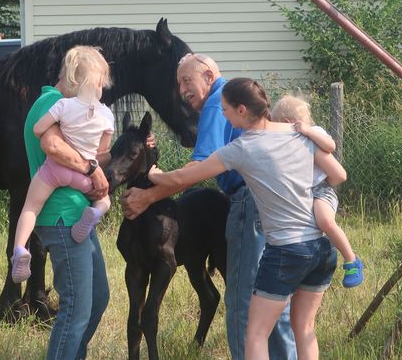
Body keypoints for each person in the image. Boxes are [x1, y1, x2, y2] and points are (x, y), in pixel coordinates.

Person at [147, 78, 347, 360]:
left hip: (286, 251)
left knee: (254, 332)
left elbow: (183, 177)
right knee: (305, 329)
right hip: (321, 249)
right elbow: (338, 176)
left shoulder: (241, 149)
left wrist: (155, 175)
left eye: (225, 110)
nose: (223, 116)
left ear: (242, 110)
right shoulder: (298, 132)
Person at [120, 53, 296, 360]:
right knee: (270, 295)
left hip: (248, 202)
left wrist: (149, 196)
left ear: (208, 76)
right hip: (272, 202)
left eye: (187, 80)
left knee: (242, 300)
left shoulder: (218, 102)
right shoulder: (226, 101)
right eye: (178, 84)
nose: (182, 90)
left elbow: (199, 167)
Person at [18, 45, 112, 359]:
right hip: (61, 217)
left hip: (76, 213)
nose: (97, 90)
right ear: (75, 78)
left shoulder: (68, 106)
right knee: (76, 307)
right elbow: (52, 144)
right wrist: (91, 169)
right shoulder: (53, 102)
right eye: (95, 82)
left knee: (97, 298)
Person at [270, 95, 363, 288]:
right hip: (303, 192)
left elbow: (331, 146)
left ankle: (351, 260)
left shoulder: (313, 132)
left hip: (321, 190)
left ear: (289, 123)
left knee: (325, 221)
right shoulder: (287, 144)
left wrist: (306, 131)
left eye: (277, 125)